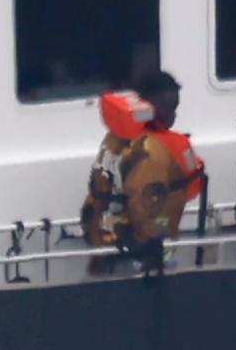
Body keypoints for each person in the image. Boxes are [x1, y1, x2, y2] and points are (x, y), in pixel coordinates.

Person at [81, 70, 204, 274]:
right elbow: (191, 188)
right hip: (143, 250)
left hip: (106, 240)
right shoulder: (169, 146)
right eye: (171, 108)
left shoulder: (113, 138)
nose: (174, 114)